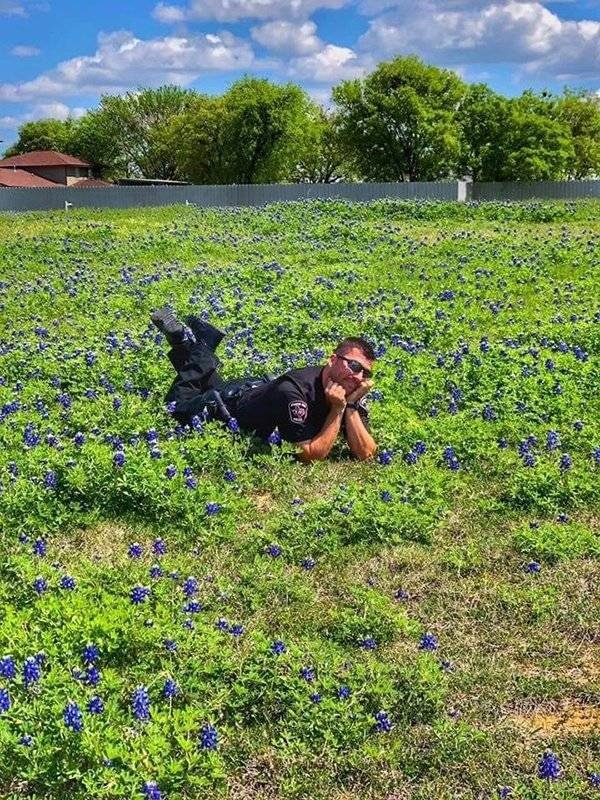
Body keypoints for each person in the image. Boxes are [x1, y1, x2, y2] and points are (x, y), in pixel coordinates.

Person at [152, 307, 378, 463]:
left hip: (254, 393)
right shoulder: (295, 390)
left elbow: (367, 453)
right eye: (354, 366)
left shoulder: (351, 391)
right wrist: (337, 410)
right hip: (225, 409)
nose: (359, 377)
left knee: (201, 382)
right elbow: (309, 455)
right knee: (174, 408)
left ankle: (186, 341)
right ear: (332, 359)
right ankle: (202, 345)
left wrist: (349, 406)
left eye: (365, 373)